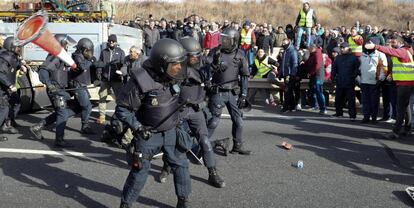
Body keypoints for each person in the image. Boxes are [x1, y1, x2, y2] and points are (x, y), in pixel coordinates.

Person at [116, 39, 191, 208]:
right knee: (140, 171)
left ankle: (183, 200)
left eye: (180, 63)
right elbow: (122, 110)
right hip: (148, 134)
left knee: (181, 166)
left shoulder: (172, 75)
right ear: (161, 63)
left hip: (171, 131)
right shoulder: (141, 80)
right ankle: (126, 204)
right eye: (174, 64)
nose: (179, 68)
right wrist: (137, 127)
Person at [158, 36, 225, 188]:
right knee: (174, 143)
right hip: (178, 110)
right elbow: (186, 75)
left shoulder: (202, 65)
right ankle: (166, 167)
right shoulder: (175, 67)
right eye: (193, 56)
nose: (196, 59)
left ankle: (212, 172)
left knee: (205, 142)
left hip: (196, 110)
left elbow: (210, 70)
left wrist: (215, 63)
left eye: (197, 55)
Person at [30, 34, 81, 147]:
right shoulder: (54, 57)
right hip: (55, 90)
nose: (67, 46)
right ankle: (59, 140)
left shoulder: (61, 57)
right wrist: (49, 85)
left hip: (60, 89)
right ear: (61, 44)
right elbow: (43, 72)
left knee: (63, 112)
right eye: (66, 44)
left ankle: (37, 127)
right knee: (62, 113)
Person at [207, 28, 251, 155]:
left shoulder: (240, 54)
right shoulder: (216, 52)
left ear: (234, 41)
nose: (224, 41)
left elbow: (244, 76)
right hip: (218, 92)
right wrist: (214, 65)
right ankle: (200, 146)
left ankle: (238, 145)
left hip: (233, 93)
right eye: (223, 38)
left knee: (239, 121)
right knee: (213, 122)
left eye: (227, 39)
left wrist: (243, 95)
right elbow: (205, 69)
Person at [365, 35, 414, 139]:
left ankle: (395, 132)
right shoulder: (408, 50)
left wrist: (376, 46)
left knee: (401, 108)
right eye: (390, 42)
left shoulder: (402, 51)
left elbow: (390, 51)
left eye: (394, 42)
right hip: (406, 83)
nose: (391, 44)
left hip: (404, 84)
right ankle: (407, 129)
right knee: (406, 107)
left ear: (401, 43)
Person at [96, 34, 126, 124]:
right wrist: (99, 73)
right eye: (110, 41)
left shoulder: (120, 52)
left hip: (116, 79)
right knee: (102, 97)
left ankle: (120, 116)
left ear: (116, 42)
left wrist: (121, 73)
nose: (111, 43)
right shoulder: (104, 52)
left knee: (119, 99)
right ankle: (102, 117)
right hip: (105, 79)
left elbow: (123, 64)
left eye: (113, 41)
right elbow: (100, 63)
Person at [69, 38, 96, 134]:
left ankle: (60, 116)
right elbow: (82, 66)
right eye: (88, 51)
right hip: (77, 84)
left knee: (79, 107)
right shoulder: (77, 56)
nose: (90, 54)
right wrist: (92, 60)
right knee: (87, 106)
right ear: (84, 50)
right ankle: (85, 126)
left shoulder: (82, 56)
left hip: (81, 84)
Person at [359, 38, 388, 123]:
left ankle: (374, 117)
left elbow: (384, 67)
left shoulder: (380, 54)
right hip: (364, 80)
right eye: (367, 42)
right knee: (365, 100)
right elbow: (360, 67)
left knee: (374, 101)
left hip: (375, 81)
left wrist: (381, 78)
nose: (368, 44)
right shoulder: (363, 54)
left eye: (370, 43)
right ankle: (366, 116)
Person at [331, 42, 360, 121]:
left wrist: (353, 76)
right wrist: (333, 77)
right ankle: (339, 113)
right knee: (338, 98)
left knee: (351, 99)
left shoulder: (353, 58)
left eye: (343, 47)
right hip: (340, 80)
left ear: (348, 48)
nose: (342, 49)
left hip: (350, 81)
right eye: (341, 48)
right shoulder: (338, 58)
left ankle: (352, 115)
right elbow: (334, 68)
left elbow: (357, 69)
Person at [0, 37, 22, 142]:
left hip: (8, 89)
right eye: (17, 46)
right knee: (3, 109)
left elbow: (15, 65)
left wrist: (22, 66)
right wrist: (9, 85)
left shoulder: (12, 56)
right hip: (2, 89)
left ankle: (7, 124)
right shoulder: (3, 58)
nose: (19, 48)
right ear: (11, 46)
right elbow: (0, 74)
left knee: (16, 102)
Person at [302, 44, 326, 114]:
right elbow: (309, 62)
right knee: (313, 91)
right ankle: (315, 105)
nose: (308, 50)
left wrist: (311, 72)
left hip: (318, 76)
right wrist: (304, 63)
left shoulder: (317, 54)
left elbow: (317, 65)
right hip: (313, 76)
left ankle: (323, 108)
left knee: (319, 92)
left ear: (313, 48)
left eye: (309, 49)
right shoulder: (312, 54)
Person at [280, 38, 300, 112]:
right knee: (289, 91)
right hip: (286, 74)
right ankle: (292, 106)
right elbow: (283, 63)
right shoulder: (285, 51)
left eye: (285, 43)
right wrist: (281, 73)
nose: (283, 44)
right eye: (283, 43)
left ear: (289, 43)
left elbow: (295, 64)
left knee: (287, 91)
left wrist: (292, 74)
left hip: (290, 75)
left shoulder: (292, 51)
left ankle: (286, 107)